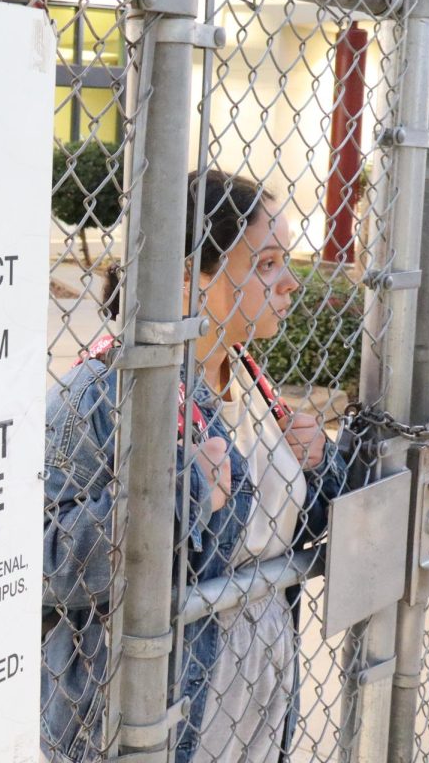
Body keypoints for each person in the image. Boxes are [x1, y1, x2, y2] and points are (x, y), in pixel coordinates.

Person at [41, 170, 347, 763]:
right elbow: (44, 558)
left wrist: (319, 461)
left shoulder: (248, 381)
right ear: (189, 278)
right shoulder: (105, 394)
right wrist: (179, 497)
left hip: (254, 694)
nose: (290, 284)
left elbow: (286, 525)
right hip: (153, 709)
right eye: (266, 265)